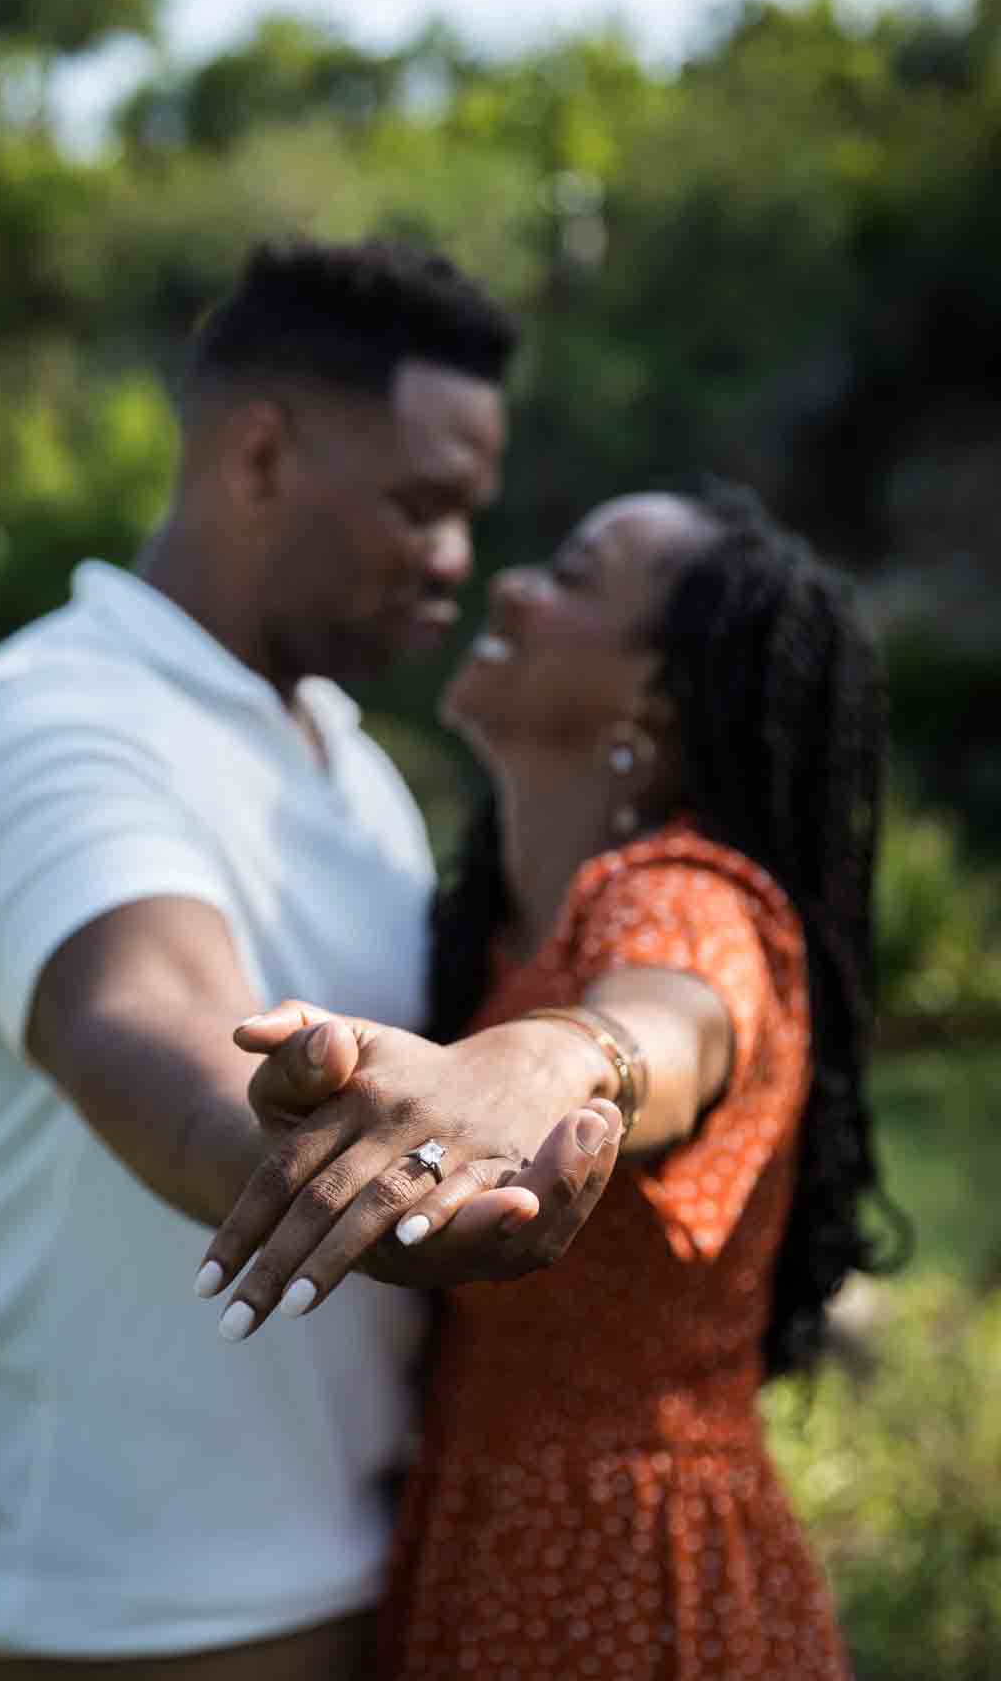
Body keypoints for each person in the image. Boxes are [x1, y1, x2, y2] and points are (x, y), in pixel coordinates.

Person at [0, 238, 629, 1681]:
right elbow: (140, 1010)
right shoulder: (54, 725)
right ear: (264, 455)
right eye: (424, 506)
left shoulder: (345, 756)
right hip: (109, 1614)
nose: (459, 562)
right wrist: (319, 1156)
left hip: (320, 1570)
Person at [199, 483, 905, 1679]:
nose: (511, 584)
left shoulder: (689, 895)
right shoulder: (491, 931)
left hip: (632, 1580)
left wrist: (558, 1056)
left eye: (574, 574)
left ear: (655, 695)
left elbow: (677, 1021)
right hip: (476, 1539)